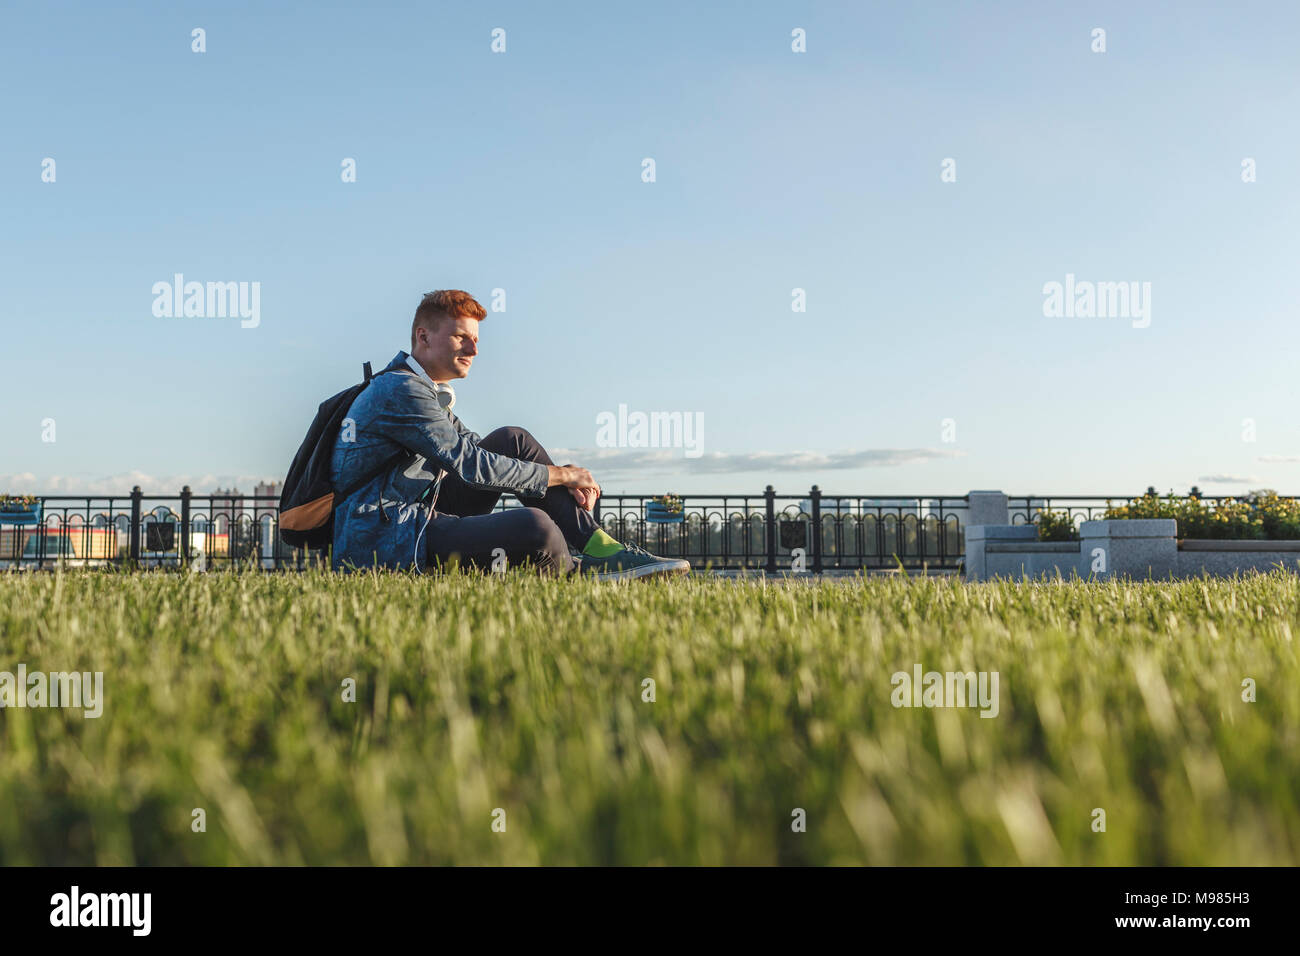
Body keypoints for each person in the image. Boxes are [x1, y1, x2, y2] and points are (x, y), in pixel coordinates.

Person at [330, 290, 689, 579]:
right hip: (384, 539)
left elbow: (484, 451)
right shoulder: (400, 390)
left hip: (420, 513)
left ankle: (602, 547)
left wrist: (556, 475)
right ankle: (577, 571)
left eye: (475, 340)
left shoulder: (427, 393)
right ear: (423, 337)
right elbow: (472, 465)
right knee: (537, 527)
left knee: (512, 439)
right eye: (461, 338)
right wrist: (561, 476)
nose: (474, 350)